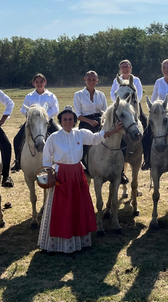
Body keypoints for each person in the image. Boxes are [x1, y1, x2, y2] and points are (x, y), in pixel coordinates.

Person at [38, 105, 123, 253]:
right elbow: (46, 158)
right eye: (65, 119)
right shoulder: (54, 138)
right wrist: (50, 172)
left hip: (77, 173)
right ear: (61, 120)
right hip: (62, 174)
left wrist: (114, 131)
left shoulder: (80, 134)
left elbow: (97, 138)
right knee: (62, 208)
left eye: (70, 119)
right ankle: (57, 243)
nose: (68, 122)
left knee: (77, 207)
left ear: (74, 121)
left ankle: (78, 241)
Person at [12, 73, 60, 171]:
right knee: (17, 139)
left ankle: (59, 160)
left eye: (41, 82)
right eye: (37, 82)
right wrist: (31, 113)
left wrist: (43, 115)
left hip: (47, 122)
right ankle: (18, 161)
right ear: (34, 83)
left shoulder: (51, 96)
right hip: (32, 123)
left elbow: (55, 110)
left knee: (60, 136)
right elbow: (23, 109)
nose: (39, 84)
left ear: (45, 83)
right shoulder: (30, 96)